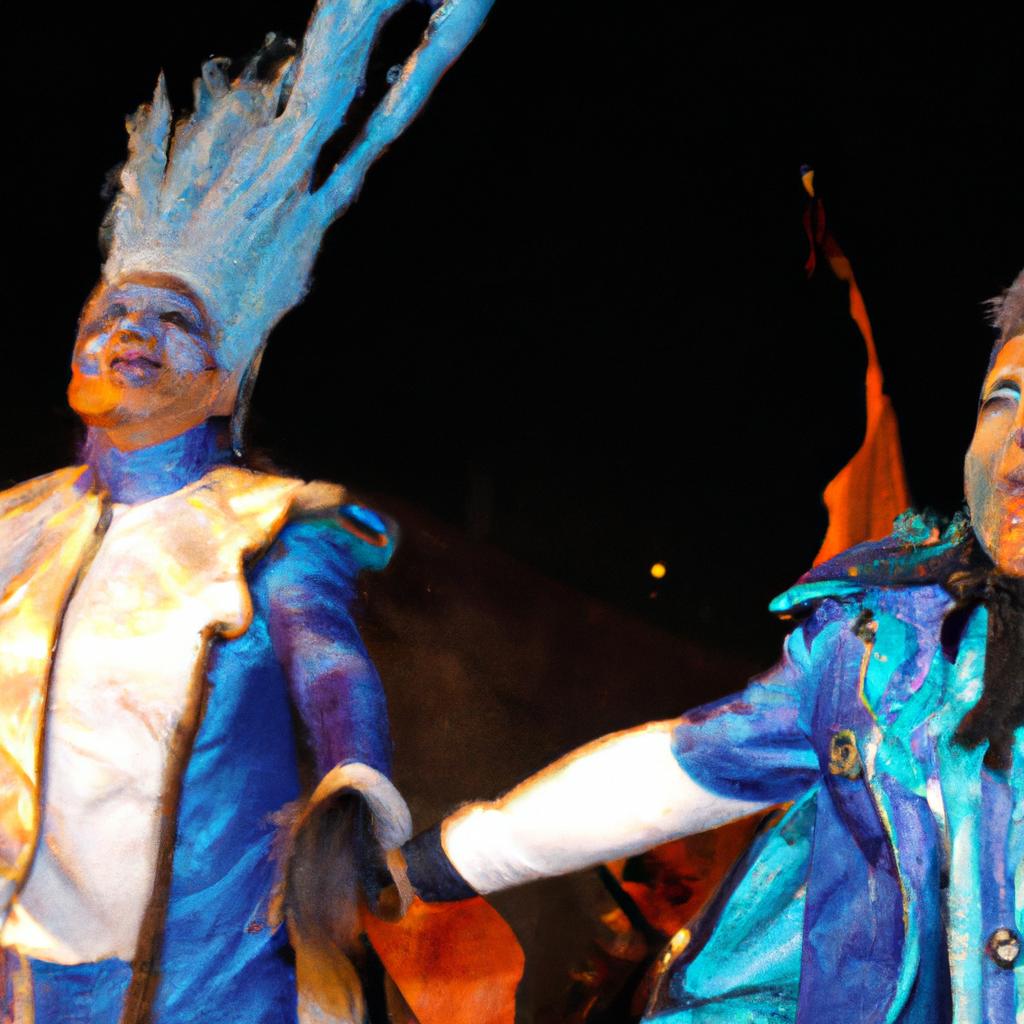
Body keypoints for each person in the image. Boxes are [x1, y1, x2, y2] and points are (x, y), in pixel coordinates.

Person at [0, 1, 493, 1022]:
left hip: (205, 972)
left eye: (174, 321)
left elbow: (326, 659)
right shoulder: (16, 527)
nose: (134, 331)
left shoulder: (268, 530)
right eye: (111, 315)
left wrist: (353, 784)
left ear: (223, 386)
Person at [402, 270, 1024, 1022]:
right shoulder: (877, 650)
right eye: (1002, 399)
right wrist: (442, 862)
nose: (1017, 430)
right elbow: (684, 768)